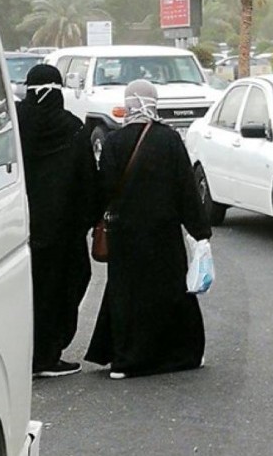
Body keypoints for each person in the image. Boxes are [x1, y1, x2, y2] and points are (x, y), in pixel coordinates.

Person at [84, 79, 211, 379]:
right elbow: (186, 189)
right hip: (163, 233)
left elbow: (105, 189)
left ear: (128, 104)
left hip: (125, 235)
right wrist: (200, 231)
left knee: (128, 295)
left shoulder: (114, 141)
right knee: (170, 293)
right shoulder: (169, 140)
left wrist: (92, 221)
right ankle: (180, 355)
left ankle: (127, 360)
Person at [16, 64, 99, 378]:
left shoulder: (15, 125)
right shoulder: (73, 129)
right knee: (61, 289)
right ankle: (47, 353)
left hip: (15, 228)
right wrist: (87, 221)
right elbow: (87, 183)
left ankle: (21, 352)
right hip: (62, 235)